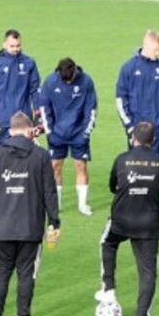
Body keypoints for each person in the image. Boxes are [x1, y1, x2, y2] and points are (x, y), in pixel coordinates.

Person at [0, 113, 60, 316]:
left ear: (10, 130)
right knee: (26, 274)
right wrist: (54, 221)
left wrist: (1, 206)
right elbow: (49, 192)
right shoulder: (41, 156)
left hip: (3, 227)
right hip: (30, 226)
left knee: (1, 273)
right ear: (29, 130)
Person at [95, 122, 159, 316]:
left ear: (133, 138)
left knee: (107, 243)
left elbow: (112, 186)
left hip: (122, 218)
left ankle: (108, 288)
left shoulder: (122, 159)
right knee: (148, 272)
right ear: (153, 140)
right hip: (148, 223)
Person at [37, 57, 98, 216]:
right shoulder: (50, 82)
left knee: (81, 166)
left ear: (75, 71)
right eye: (65, 80)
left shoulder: (86, 82)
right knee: (55, 167)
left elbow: (91, 109)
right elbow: (44, 108)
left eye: (71, 79)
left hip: (79, 133)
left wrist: (86, 132)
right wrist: (49, 132)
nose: (68, 82)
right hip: (57, 134)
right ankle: (55, 205)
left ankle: (83, 205)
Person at [115, 30, 159, 159]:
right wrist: (130, 126)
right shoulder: (128, 68)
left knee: (157, 165)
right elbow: (121, 99)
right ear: (146, 45)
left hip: (158, 129)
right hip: (137, 130)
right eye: (156, 50)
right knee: (137, 166)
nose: (158, 53)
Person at [0, 29, 41, 146]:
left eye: (18, 46)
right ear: (4, 44)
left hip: (23, 120)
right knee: (1, 154)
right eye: (12, 46)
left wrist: (38, 115)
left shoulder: (29, 63)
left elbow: (36, 90)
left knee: (24, 154)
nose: (15, 49)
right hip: (1, 120)